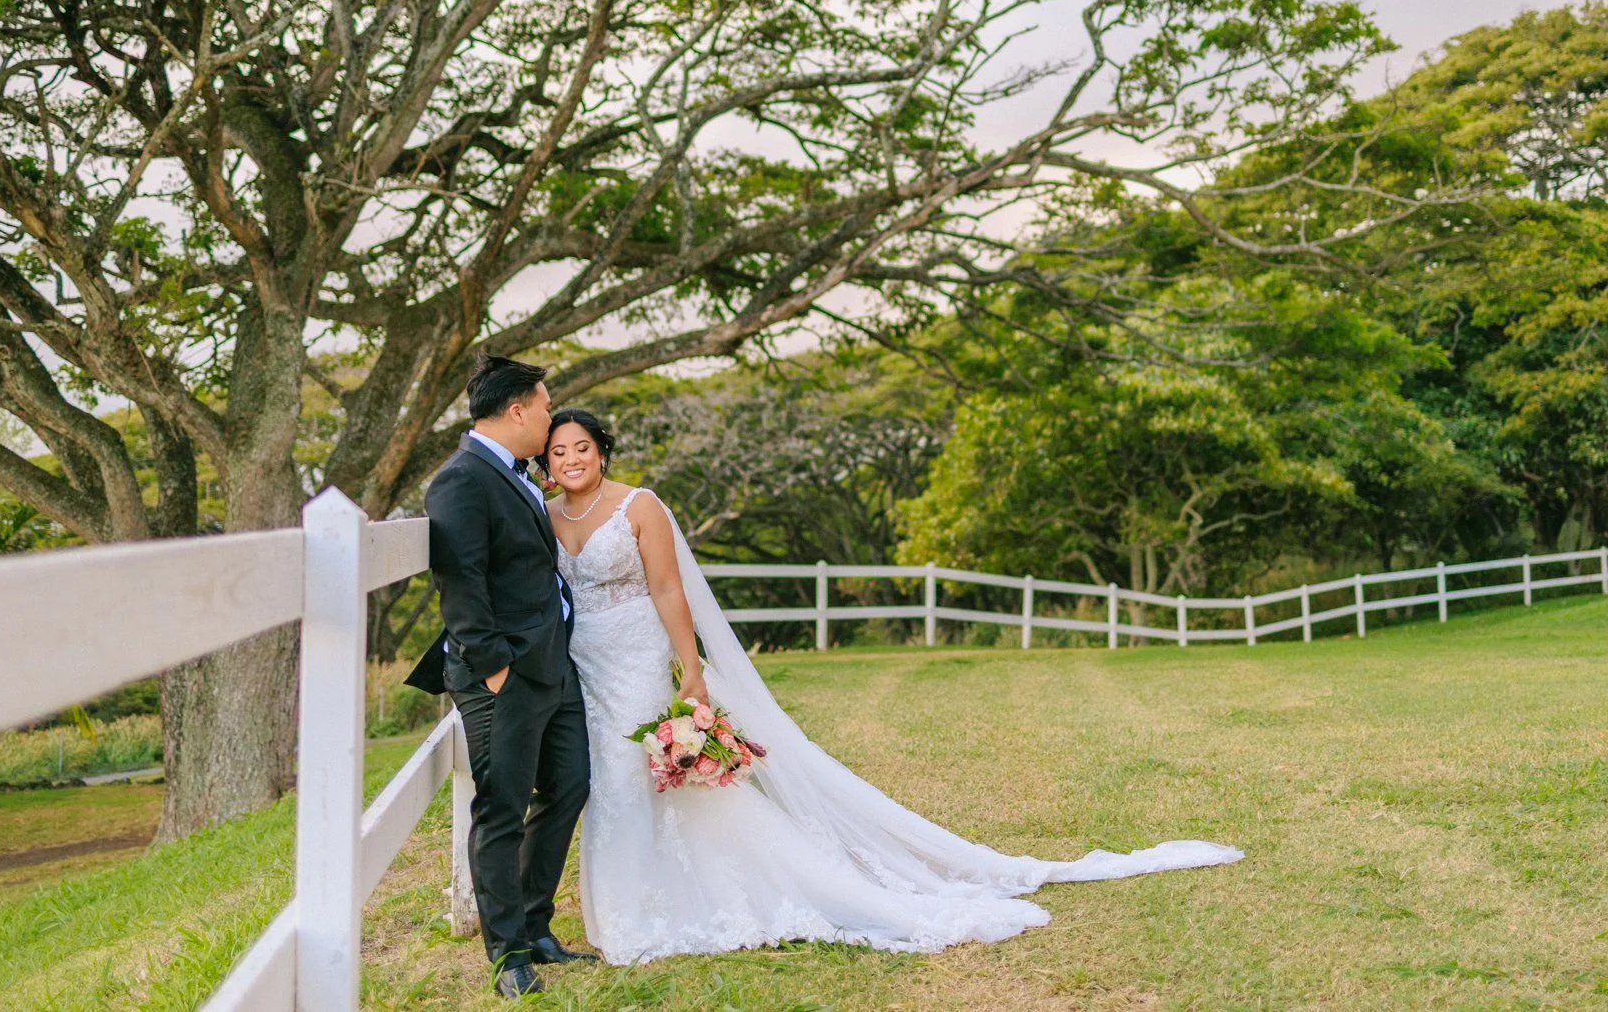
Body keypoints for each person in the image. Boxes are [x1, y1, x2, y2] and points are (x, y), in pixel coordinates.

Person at [540, 406, 1244, 966]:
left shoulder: (640, 506)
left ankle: (679, 901)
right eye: (558, 451)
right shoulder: (546, 513)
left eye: (582, 447)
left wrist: (691, 672)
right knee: (608, 779)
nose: (571, 459)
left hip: (636, 656)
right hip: (585, 665)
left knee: (646, 776)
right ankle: (630, 906)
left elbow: (668, 588)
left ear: (603, 450)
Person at [410, 354, 596, 998]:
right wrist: (492, 668)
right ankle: (508, 953)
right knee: (501, 810)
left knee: (569, 785)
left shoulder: (515, 473)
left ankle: (536, 926)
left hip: (553, 664)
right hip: (503, 673)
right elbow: (460, 580)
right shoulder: (461, 480)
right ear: (516, 410)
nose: (550, 418)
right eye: (546, 407)